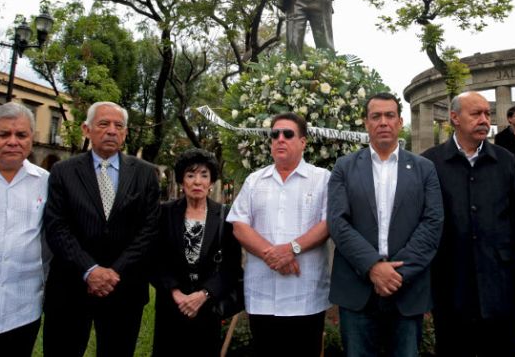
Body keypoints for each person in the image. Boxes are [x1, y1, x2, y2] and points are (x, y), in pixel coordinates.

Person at [328, 92, 444, 356]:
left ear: (400, 122)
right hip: (357, 291)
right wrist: (372, 267)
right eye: (376, 116)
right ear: (366, 123)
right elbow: (338, 222)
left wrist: (396, 274)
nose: (383, 122)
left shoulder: (424, 168)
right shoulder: (344, 167)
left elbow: (432, 223)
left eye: (390, 115)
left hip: (407, 289)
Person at [42, 101, 160, 357]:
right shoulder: (63, 172)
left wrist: (114, 272)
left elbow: (149, 230)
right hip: (71, 287)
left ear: (126, 133)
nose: (111, 131)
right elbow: (56, 226)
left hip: (125, 289)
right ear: (86, 129)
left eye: (119, 126)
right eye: (103, 124)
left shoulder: (146, 174)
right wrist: (90, 270)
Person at [421, 91, 515, 357]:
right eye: (476, 113)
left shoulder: (505, 160)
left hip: (500, 284)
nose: (484, 120)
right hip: (451, 285)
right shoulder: (429, 162)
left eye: (487, 113)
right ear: (454, 117)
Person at [227, 112, 331, 357]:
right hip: (263, 295)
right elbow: (239, 225)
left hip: (306, 295)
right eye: (275, 134)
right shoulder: (255, 181)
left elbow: (328, 224)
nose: (280, 139)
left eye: (288, 134)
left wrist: (291, 249)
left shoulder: (322, 179)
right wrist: (273, 255)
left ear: (303, 142)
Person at [151, 149, 243, 357]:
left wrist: (203, 295)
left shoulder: (224, 216)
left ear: (211, 182)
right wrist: (176, 293)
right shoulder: (164, 213)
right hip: (171, 306)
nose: (197, 182)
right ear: (182, 181)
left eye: (204, 175)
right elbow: (155, 259)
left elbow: (231, 265)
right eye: (190, 175)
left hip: (207, 307)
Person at [0, 102, 50, 357]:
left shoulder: (44, 181)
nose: (13, 141)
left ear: (31, 138)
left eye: (21, 135)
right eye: (3, 134)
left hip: (23, 311)